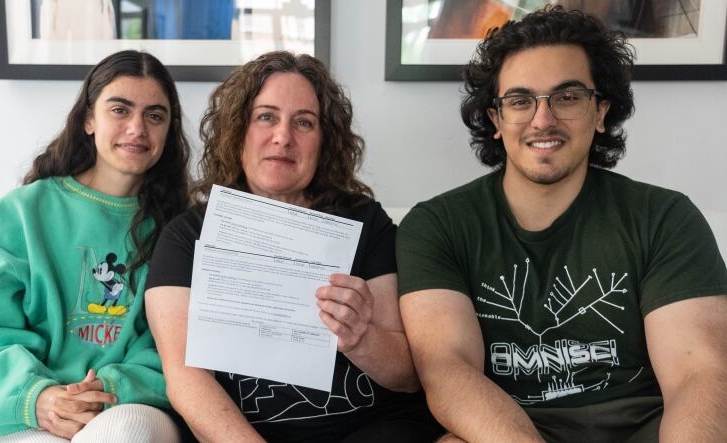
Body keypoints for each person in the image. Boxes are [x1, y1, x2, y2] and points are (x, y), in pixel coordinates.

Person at [396, 6, 727, 443]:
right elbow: (447, 371)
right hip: (507, 430)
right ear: (496, 120)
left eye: (567, 97)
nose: (543, 119)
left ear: (601, 112)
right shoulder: (437, 225)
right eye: (520, 101)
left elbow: (699, 376)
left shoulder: (663, 217)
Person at [145, 51, 441, 443]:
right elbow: (186, 383)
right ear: (237, 131)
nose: (283, 137)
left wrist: (360, 337)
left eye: (304, 122)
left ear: (324, 141)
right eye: (266, 116)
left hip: (373, 428)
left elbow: (407, 376)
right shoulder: (187, 237)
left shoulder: (365, 222)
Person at [0, 50, 190, 442]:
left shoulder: (180, 229)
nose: (137, 128)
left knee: (124, 432)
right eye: (120, 110)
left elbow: (182, 349)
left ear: (168, 130)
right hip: (24, 406)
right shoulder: (23, 215)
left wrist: (107, 390)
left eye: (155, 115)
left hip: (130, 404)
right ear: (89, 119)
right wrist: (38, 396)